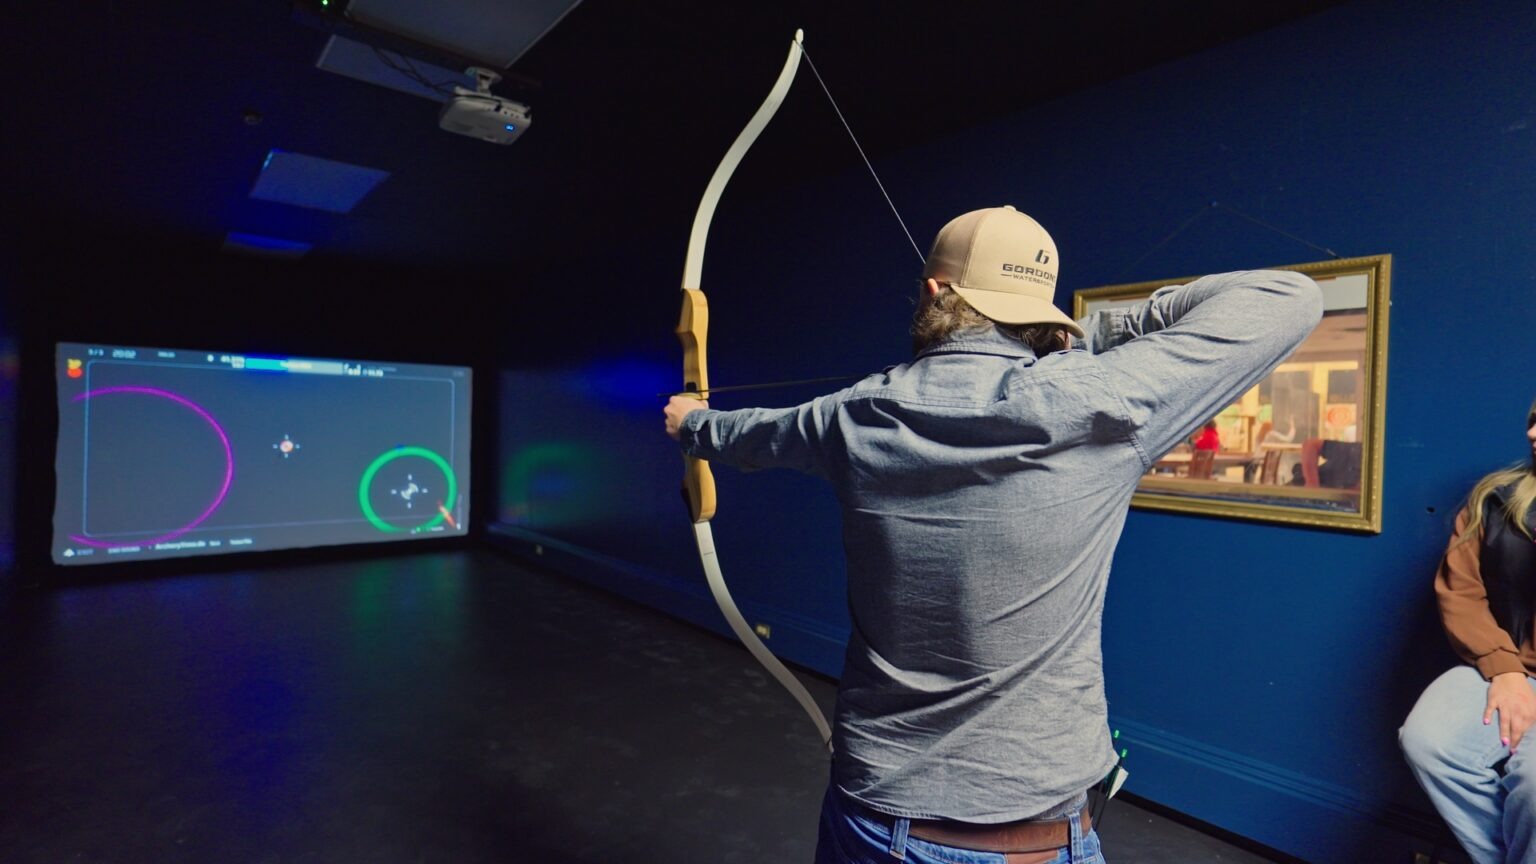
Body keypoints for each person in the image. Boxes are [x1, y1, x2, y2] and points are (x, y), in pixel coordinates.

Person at [663, 205, 1321, 864]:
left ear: (933, 292)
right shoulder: (1105, 401)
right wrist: (1084, 332)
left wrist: (693, 421)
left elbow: (743, 434)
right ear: (1040, 311)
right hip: (1031, 838)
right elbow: (1289, 297)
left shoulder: (850, 417)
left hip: (871, 813)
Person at [1400, 400, 1536, 864]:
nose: (1534, 434)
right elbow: (1461, 592)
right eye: (1534, 420)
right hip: (1504, 661)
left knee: (1535, 784)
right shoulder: (1495, 498)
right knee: (1429, 741)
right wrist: (1505, 670)